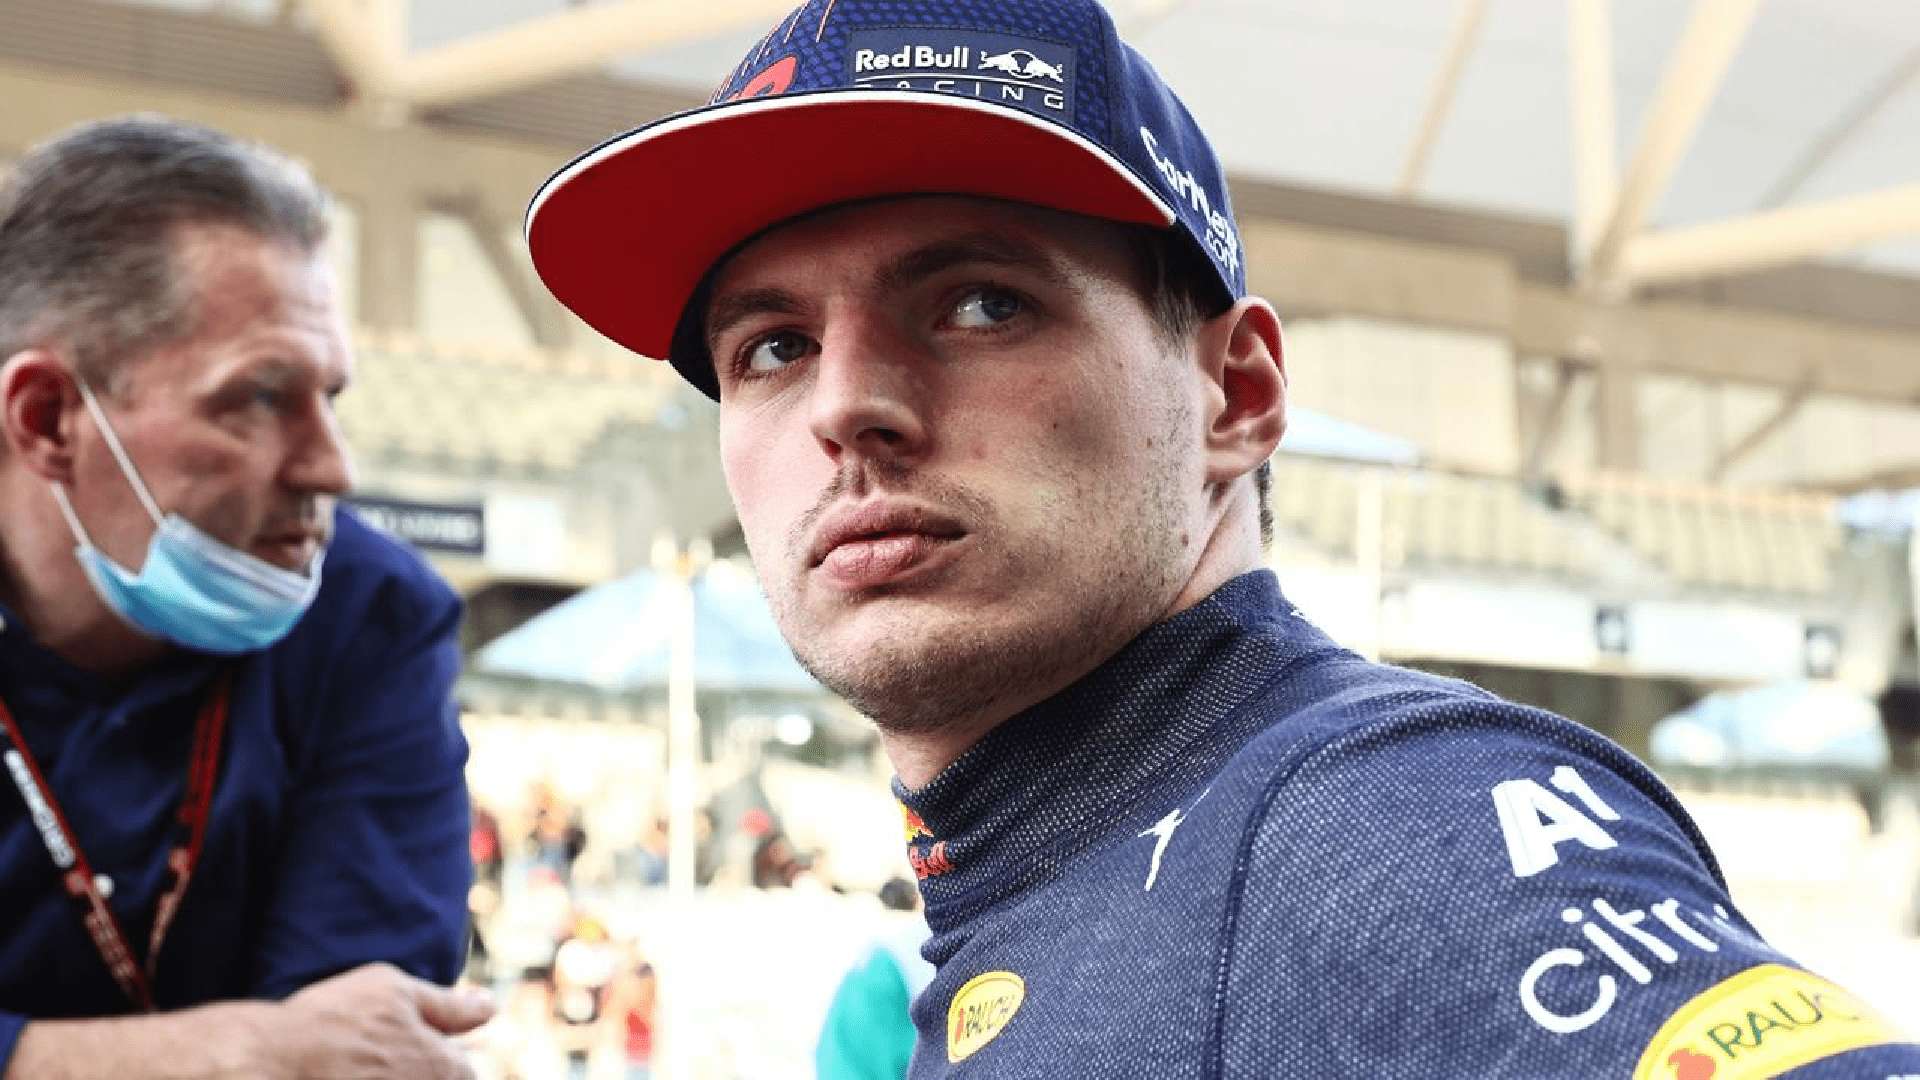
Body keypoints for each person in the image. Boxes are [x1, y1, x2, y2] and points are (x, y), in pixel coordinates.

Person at [524, 1, 1920, 1074]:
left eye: (982, 304)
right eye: (771, 346)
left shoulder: (1392, 825)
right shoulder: (1043, 882)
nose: (845, 405)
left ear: (1236, 396)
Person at [0, 116, 487, 1077]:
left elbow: (365, 1049)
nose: (333, 469)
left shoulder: (373, 613)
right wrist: (241, 1050)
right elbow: (301, 1051)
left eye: (329, 398)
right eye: (260, 397)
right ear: (49, 418)